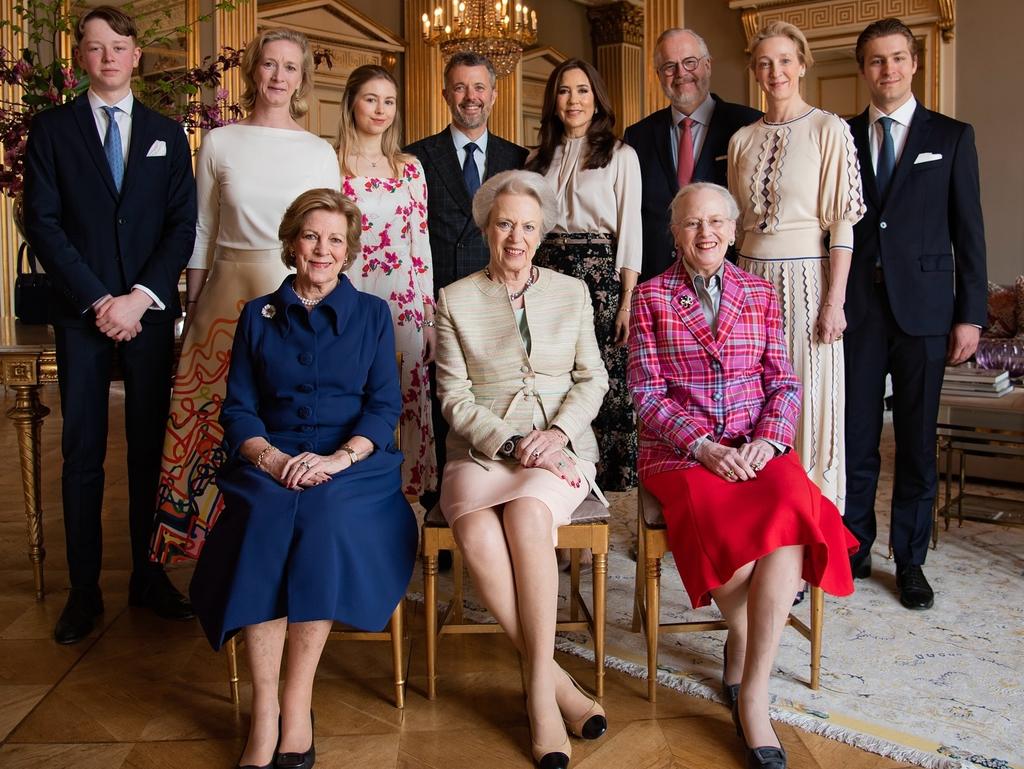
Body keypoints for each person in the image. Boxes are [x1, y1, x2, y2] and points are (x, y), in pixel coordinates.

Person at [628, 182, 857, 769]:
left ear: (734, 230)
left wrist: (769, 440)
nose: (704, 233)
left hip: (756, 448)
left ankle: (751, 692)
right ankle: (754, 689)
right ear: (673, 234)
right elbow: (645, 394)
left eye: (715, 223)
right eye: (690, 224)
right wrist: (703, 447)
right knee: (723, 522)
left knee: (794, 510)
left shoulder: (759, 293)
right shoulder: (653, 298)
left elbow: (782, 380)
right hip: (682, 455)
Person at [190, 188, 417, 769]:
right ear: (292, 242)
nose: (322, 249)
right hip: (272, 460)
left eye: (335, 240)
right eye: (312, 236)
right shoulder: (255, 316)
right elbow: (238, 408)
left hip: (353, 468)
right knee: (265, 517)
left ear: (349, 250)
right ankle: (266, 710)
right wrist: (269, 458)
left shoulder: (370, 314)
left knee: (322, 516)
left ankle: (298, 701)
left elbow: (383, 408)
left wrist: (339, 459)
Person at [23, 5, 197, 644]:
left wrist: (141, 296)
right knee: (82, 454)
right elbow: (40, 223)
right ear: (81, 58)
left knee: (152, 451)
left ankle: (150, 580)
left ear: (136, 55)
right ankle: (83, 589)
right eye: (95, 48)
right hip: (81, 314)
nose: (109, 58)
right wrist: (100, 299)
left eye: (119, 46)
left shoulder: (167, 134)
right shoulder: (52, 131)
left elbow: (183, 225)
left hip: (149, 317)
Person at [435, 170, 610, 769]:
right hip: (484, 453)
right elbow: (454, 398)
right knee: (479, 530)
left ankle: (539, 700)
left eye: (528, 226)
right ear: (487, 227)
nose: (517, 237)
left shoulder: (572, 291)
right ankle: (557, 684)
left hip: (559, 448)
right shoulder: (455, 298)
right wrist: (510, 443)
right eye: (505, 223)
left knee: (529, 516)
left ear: (543, 232)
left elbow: (594, 378)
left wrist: (556, 434)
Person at [150, 28, 341, 564]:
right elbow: (202, 230)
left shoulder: (318, 150)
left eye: (290, 67)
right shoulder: (220, 142)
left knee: (282, 413)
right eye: (270, 65)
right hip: (225, 296)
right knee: (213, 419)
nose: (279, 76)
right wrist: (192, 307)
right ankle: (203, 546)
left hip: (298, 295)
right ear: (254, 70)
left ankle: (282, 534)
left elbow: (332, 234)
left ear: (302, 79)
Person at [845, 18, 987, 609]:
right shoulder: (841, 135)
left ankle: (910, 560)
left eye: (898, 58)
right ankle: (852, 546)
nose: (889, 70)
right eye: (877, 61)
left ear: (915, 62)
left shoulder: (951, 136)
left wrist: (970, 315)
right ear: (864, 69)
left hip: (927, 311)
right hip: (855, 309)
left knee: (916, 441)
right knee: (855, 439)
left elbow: (969, 230)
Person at [728, 21, 864, 511]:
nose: (775, 71)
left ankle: (807, 533)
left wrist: (834, 302)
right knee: (750, 401)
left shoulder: (830, 129)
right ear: (755, 72)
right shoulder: (743, 139)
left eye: (785, 60)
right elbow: (734, 226)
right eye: (764, 63)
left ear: (802, 64)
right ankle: (759, 525)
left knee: (805, 402)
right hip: (746, 283)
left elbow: (843, 226)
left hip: (807, 282)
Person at [405, 51, 528, 510]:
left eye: (479, 87)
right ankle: (444, 505)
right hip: (444, 303)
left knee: (496, 398)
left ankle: (501, 495)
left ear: (494, 94)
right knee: (447, 400)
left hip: (500, 297)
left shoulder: (517, 158)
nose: (470, 97)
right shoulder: (417, 157)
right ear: (445, 95)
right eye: (459, 87)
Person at [525, 58, 642, 491]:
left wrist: (627, 298)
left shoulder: (620, 155)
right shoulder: (535, 159)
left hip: (599, 274)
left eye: (582, 91)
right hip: (545, 272)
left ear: (596, 99)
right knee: (552, 370)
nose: (573, 100)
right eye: (563, 91)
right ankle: (553, 462)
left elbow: (631, 228)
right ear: (553, 101)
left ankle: (607, 473)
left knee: (602, 372)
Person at [337, 64, 436, 497]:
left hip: (404, 303)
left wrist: (429, 317)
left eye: (389, 101)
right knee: (352, 394)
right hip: (350, 297)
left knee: (407, 399)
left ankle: (407, 499)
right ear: (352, 103)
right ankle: (354, 490)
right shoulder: (330, 162)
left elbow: (421, 246)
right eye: (371, 99)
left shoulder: (410, 168)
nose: (381, 109)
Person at [624, 28, 761, 281]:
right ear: (659, 75)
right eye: (669, 66)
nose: (680, 74)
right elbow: (631, 217)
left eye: (690, 62)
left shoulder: (748, 125)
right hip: (658, 279)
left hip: (728, 274)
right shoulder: (637, 136)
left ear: (707, 66)